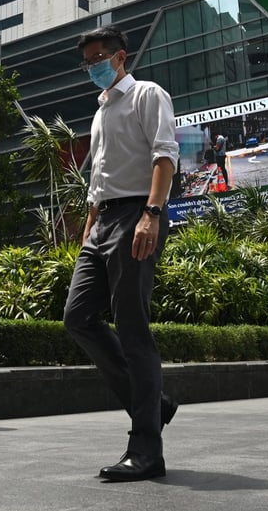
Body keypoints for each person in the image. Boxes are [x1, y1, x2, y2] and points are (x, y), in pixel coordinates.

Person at [62, 25, 179, 481]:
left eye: (98, 57)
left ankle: (147, 450)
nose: (92, 66)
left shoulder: (147, 94)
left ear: (120, 57)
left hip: (137, 213)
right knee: (77, 317)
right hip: (103, 220)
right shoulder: (100, 110)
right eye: (86, 60)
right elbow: (100, 175)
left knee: (132, 329)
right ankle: (154, 402)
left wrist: (152, 212)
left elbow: (164, 156)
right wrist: (90, 225)